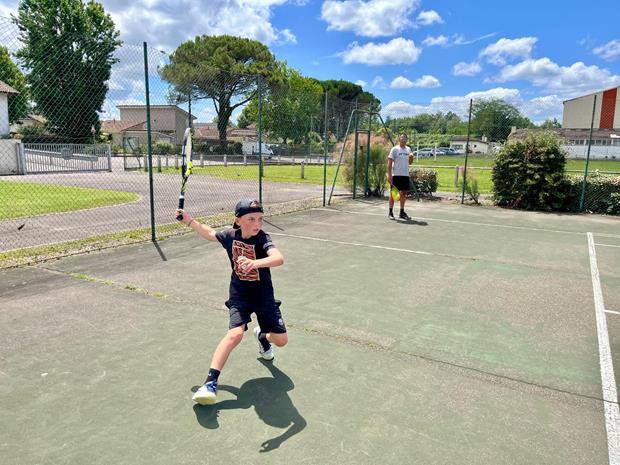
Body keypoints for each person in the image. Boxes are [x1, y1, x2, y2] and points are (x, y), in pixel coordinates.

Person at [176, 199, 287, 405]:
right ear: (238, 220)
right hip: (240, 296)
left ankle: (262, 336)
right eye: (251, 219)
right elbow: (210, 234)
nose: (257, 223)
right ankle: (210, 383)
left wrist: (255, 263)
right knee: (234, 335)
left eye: (260, 219)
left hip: (264, 297)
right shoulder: (230, 236)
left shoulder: (263, 238)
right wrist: (188, 220)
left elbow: (278, 258)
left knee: (281, 341)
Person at [387, 133, 414, 220]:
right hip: (396, 176)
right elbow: (389, 163)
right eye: (402, 137)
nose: (403, 139)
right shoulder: (394, 149)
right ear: (399, 139)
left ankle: (402, 212)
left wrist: (411, 159)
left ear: (407, 140)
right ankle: (390, 212)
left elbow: (409, 163)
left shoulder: (408, 149)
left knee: (403, 194)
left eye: (405, 138)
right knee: (393, 194)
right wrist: (389, 175)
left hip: (405, 175)